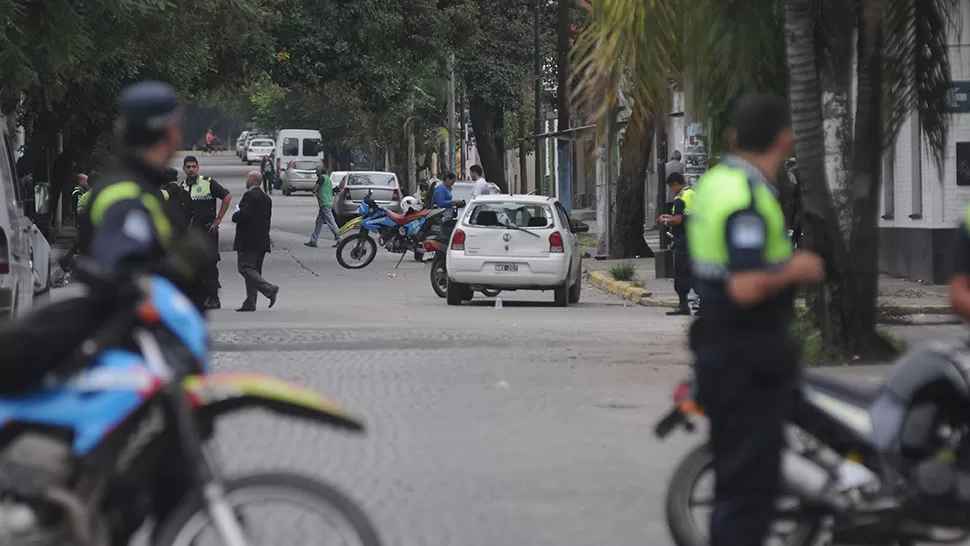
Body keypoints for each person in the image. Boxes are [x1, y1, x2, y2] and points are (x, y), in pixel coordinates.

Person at [75, 81, 214, 544]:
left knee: (167, 489)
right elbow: (125, 273)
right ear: (172, 133)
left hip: (153, 360)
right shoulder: (126, 195)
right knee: (138, 493)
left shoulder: (142, 189)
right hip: (137, 361)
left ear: (120, 130)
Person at [687, 93, 824, 546]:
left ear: (732, 138)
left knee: (734, 487)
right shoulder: (746, 194)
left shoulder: (713, 184)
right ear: (784, 141)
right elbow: (745, 286)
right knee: (749, 497)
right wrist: (796, 269)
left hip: (719, 348)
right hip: (748, 358)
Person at [181, 155, 232, 310]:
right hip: (192, 232)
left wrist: (219, 219)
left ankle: (214, 298)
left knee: (209, 264)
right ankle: (201, 297)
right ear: (184, 169)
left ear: (198, 168)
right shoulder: (182, 186)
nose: (191, 169)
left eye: (193, 166)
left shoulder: (207, 183)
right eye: (188, 167)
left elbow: (227, 196)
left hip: (207, 230)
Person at [232, 171, 279, 311]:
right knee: (254, 271)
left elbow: (244, 214)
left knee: (245, 268)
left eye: (247, 178)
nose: (245, 180)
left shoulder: (250, 195)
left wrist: (235, 215)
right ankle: (250, 302)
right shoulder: (266, 198)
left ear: (251, 180)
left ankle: (270, 289)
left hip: (248, 240)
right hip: (262, 240)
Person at [659, 172, 696, 316]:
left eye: (671, 187)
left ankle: (683, 305)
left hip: (683, 240)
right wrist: (672, 216)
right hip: (697, 238)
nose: (671, 190)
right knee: (694, 270)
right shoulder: (693, 194)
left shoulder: (680, 198)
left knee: (681, 272)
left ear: (675, 184)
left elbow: (679, 220)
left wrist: (666, 221)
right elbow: (688, 215)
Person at [305, 163, 340, 248]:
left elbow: (314, 189)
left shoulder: (321, 178)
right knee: (319, 222)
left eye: (316, 172)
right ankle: (313, 240)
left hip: (325, 203)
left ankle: (340, 239)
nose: (316, 174)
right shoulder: (327, 178)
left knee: (331, 222)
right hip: (326, 202)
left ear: (320, 171)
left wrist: (314, 191)